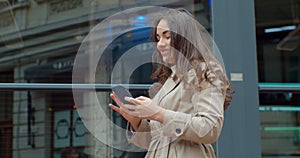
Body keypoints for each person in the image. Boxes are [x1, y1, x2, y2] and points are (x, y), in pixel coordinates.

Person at [109, 8, 234, 158]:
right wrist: (136, 121)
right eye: (158, 38)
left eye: (167, 37)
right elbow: (155, 139)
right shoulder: (170, 78)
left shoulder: (206, 71)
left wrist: (158, 113)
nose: (160, 44)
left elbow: (209, 129)